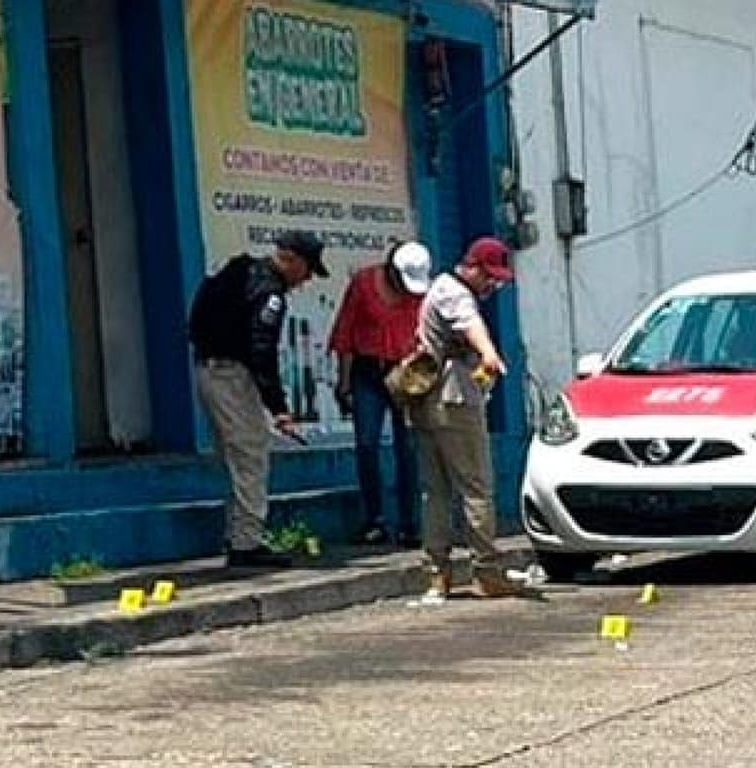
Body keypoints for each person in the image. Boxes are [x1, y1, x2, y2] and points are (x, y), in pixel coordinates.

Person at [188, 231, 329, 568]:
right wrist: (279, 409)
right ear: (291, 259)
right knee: (250, 455)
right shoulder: (269, 293)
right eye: (308, 270)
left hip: (211, 369)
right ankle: (246, 543)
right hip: (232, 376)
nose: (306, 280)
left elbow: (196, 318)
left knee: (236, 457)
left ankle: (239, 535)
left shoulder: (237, 270)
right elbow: (262, 352)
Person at [411, 237, 522, 601]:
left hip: (427, 400)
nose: (493, 285)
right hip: (454, 400)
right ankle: (486, 571)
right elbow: (470, 323)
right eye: (489, 276)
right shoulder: (454, 292)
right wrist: (489, 353)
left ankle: (436, 574)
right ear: (471, 267)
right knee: (477, 488)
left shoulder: (438, 290)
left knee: (436, 491)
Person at [329, 240, 433, 546]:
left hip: (406, 374)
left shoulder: (422, 292)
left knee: (409, 449)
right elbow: (345, 332)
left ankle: (410, 524)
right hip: (368, 372)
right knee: (367, 445)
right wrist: (344, 381)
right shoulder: (363, 284)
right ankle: (373, 520)